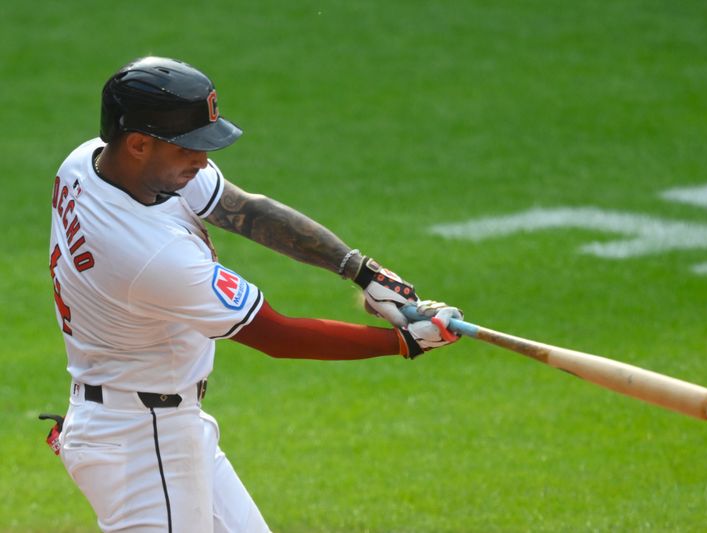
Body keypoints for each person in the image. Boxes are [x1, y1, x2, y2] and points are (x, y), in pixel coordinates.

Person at [45, 56, 462, 532]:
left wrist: (361, 271)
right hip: (143, 445)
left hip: (151, 423)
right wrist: (403, 342)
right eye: (189, 148)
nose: (202, 160)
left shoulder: (89, 163)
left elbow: (242, 210)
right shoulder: (152, 256)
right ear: (139, 143)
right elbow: (278, 337)